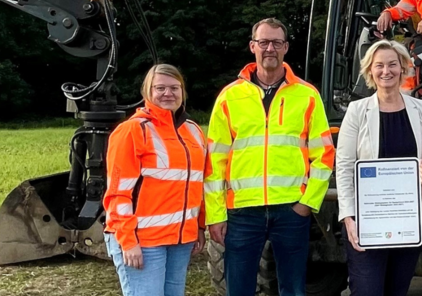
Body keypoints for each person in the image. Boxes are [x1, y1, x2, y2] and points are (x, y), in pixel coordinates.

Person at [203, 18, 334, 296]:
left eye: (276, 42)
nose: (270, 48)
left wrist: (307, 204)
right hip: (242, 212)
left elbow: (324, 156)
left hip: (291, 210)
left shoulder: (307, 95)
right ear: (253, 46)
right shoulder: (230, 97)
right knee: (238, 290)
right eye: (263, 42)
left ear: (286, 47)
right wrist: (216, 215)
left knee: (293, 290)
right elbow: (214, 162)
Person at [335, 40, 422, 296]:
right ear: (370, 71)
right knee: (367, 289)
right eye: (379, 65)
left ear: (403, 68)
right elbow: (345, 166)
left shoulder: (420, 108)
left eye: (393, 64)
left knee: (397, 290)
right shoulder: (357, 111)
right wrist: (348, 217)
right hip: (367, 219)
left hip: (409, 216)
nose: (386, 71)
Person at [103, 64, 206, 296]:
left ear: (183, 92)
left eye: (174, 88)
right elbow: (118, 193)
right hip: (144, 242)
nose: (168, 93)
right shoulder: (132, 130)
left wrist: (199, 225)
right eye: (160, 88)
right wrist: (128, 241)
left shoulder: (193, 131)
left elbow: (197, 185)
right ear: (147, 92)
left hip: (181, 240)